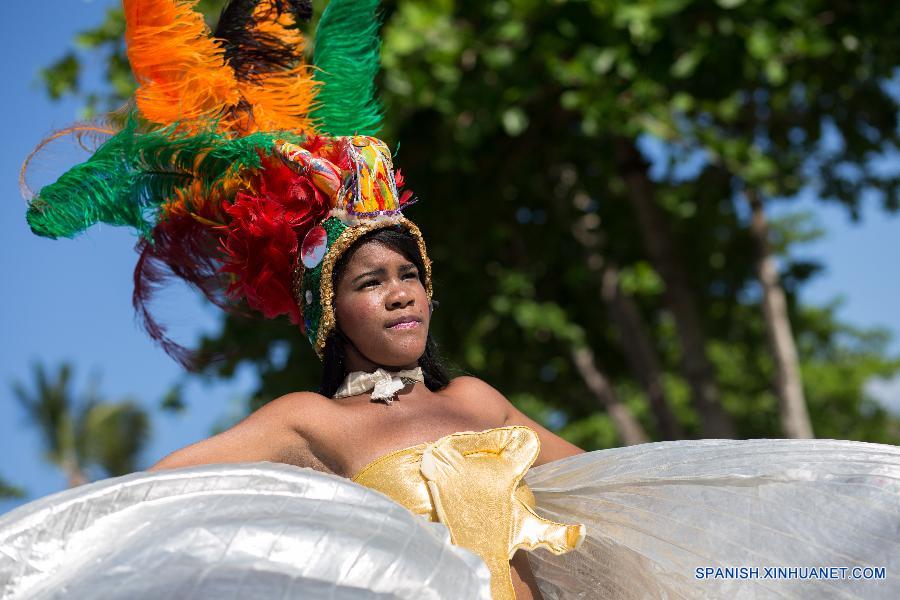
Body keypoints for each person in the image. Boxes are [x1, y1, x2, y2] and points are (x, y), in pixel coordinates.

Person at [6, 1, 899, 599]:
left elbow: (629, 497)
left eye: (410, 276)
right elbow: (151, 500)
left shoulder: (476, 402)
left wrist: (805, 542)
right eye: (370, 282)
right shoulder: (307, 424)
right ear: (329, 313)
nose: (401, 296)